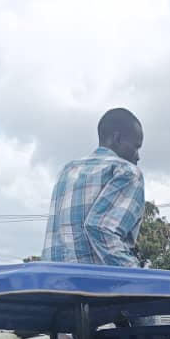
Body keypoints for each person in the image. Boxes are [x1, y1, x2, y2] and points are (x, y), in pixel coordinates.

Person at [42, 108, 145, 267]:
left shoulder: (67, 170)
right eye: (136, 147)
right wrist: (138, 277)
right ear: (117, 139)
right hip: (95, 287)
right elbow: (100, 227)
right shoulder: (127, 172)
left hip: (53, 282)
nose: (137, 156)